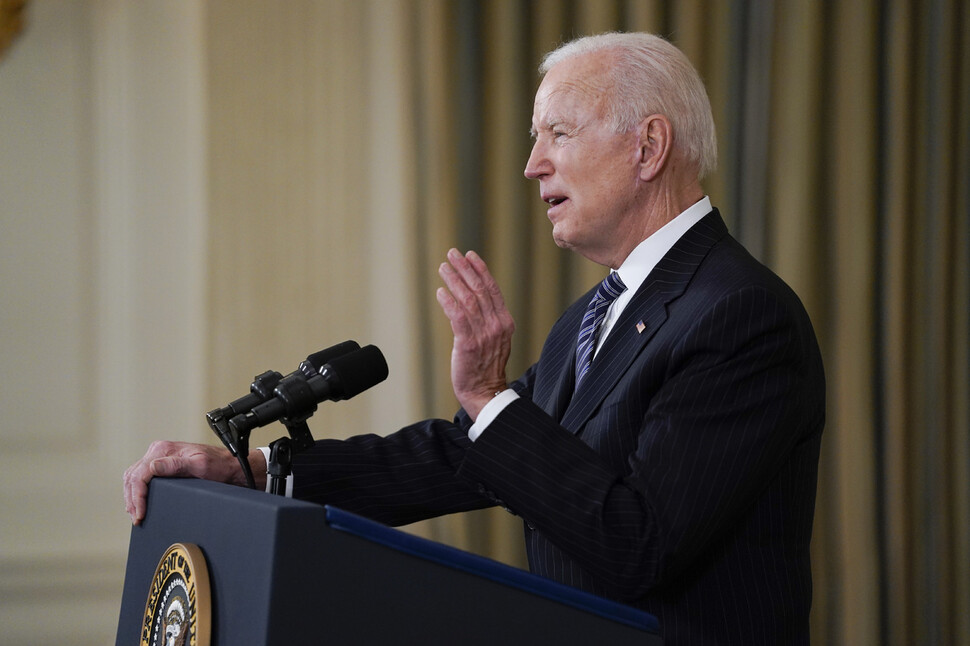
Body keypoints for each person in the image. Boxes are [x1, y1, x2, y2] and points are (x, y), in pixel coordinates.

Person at [124, 32, 824, 645]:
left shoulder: (740, 315)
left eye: (557, 132)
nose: (532, 164)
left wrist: (491, 396)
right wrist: (254, 474)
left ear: (648, 146)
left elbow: (636, 542)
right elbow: (464, 455)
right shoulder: (592, 316)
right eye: (533, 137)